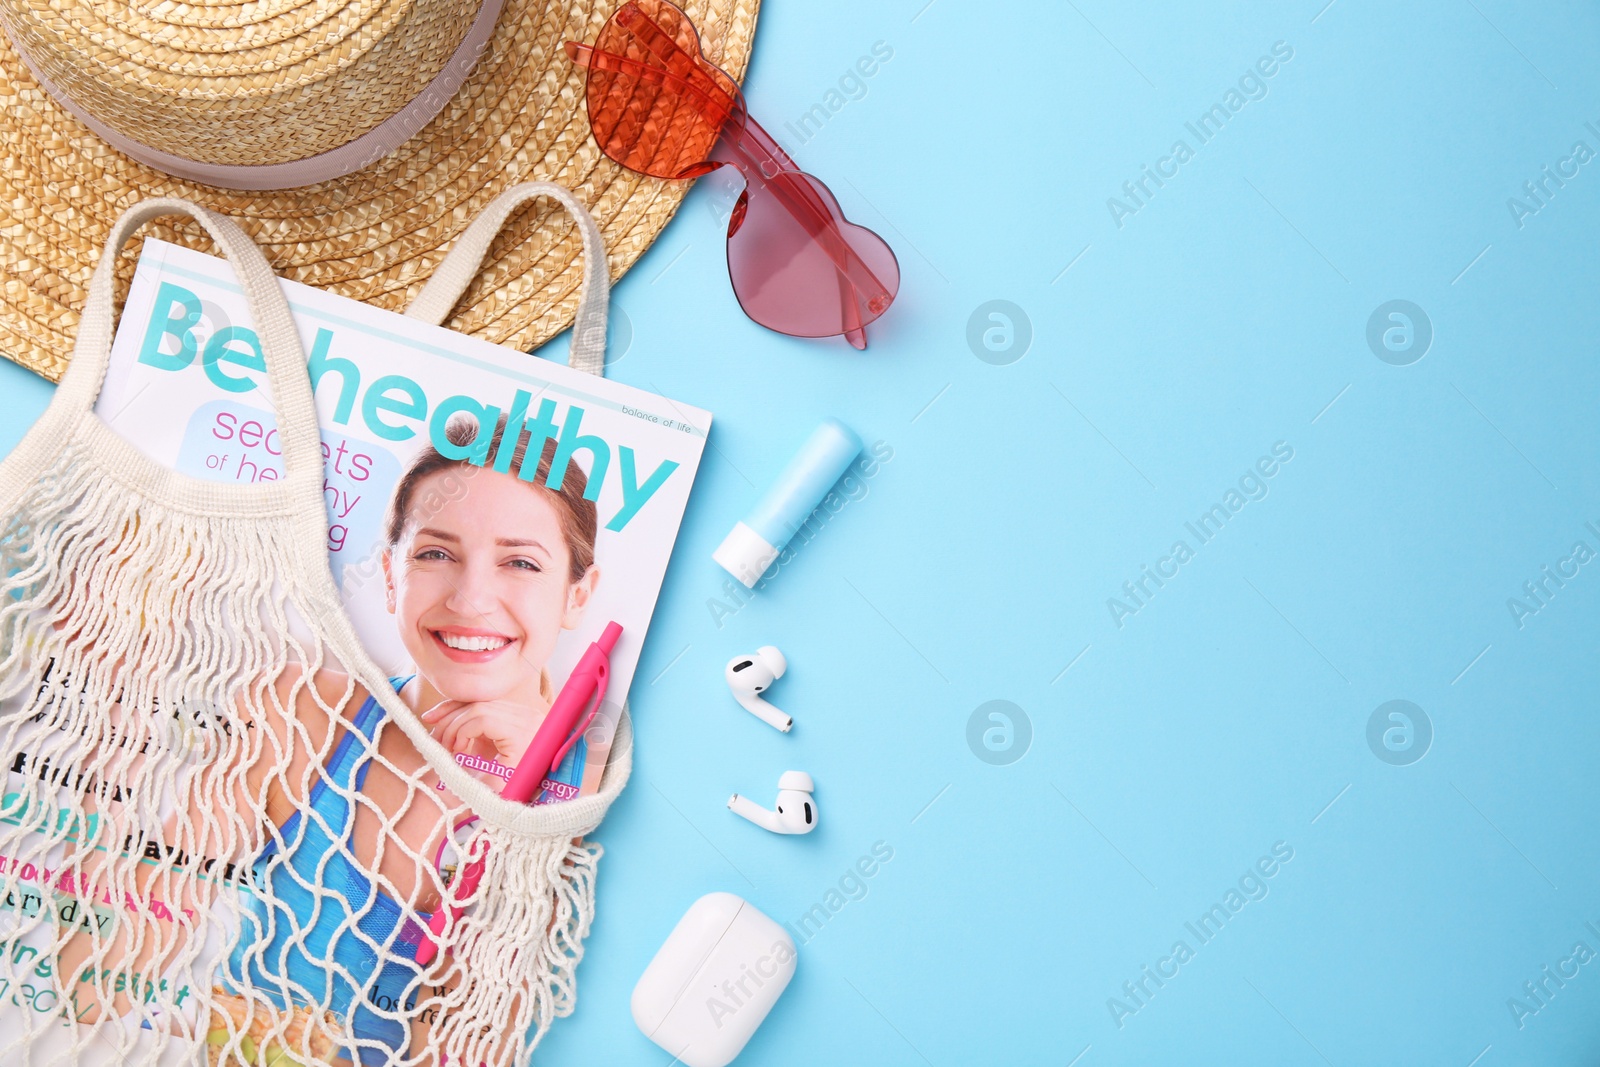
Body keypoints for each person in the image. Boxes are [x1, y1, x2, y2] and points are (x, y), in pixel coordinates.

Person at [215, 414, 602, 1064]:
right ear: (391, 575)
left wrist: (519, 814)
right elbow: (133, 925)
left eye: (520, 562)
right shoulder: (310, 708)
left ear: (576, 594)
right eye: (435, 553)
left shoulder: (573, 794)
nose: (472, 598)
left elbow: (477, 1043)